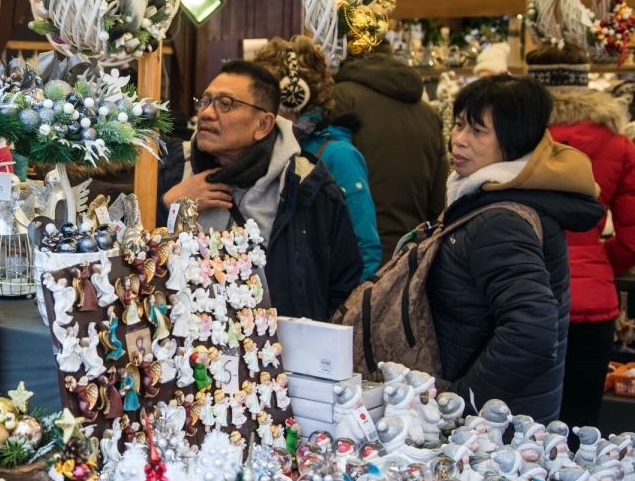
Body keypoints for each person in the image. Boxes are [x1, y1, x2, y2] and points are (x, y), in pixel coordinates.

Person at [427, 75, 603, 422]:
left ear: (513, 141)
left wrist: (462, 403)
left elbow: (532, 331)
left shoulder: (501, 219)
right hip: (504, 419)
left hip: (495, 432)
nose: (459, 140)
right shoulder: (483, 196)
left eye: (478, 131)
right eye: (459, 125)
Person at [162, 60, 363, 320]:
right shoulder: (173, 173)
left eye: (225, 104)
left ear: (263, 125)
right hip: (186, 349)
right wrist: (169, 205)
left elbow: (344, 285)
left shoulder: (309, 188)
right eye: (205, 101)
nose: (206, 113)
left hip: (282, 352)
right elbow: (134, 266)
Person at [533, 44, 635, 427]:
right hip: (591, 303)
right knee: (581, 421)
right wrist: (599, 260)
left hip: (520, 292)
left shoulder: (517, 139)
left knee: (515, 419)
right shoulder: (617, 144)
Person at [252, 36, 381, 278]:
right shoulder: (262, 149)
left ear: (293, 95)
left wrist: (343, 312)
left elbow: (365, 250)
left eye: (263, 93)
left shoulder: (338, 156)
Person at [333, 46, 449, 264]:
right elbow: (439, 199)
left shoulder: (341, 98)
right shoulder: (428, 113)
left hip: (357, 257)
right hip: (412, 254)